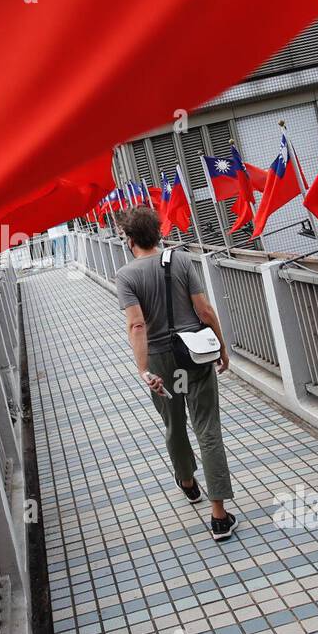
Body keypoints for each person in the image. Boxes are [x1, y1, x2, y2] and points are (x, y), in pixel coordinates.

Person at [115, 206, 237, 541]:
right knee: (207, 429)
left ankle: (187, 481)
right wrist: (222, 347)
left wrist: (143, 371)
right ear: (157, 232)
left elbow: (136, 324)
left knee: (174, 423)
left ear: (129, 239)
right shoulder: (181, 260)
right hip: (193, 355)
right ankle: (219, 516)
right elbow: (204, 309)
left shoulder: (126, 276)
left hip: (159, 360)